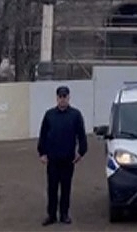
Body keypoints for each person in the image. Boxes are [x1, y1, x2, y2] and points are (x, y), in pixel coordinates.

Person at [37, 85, 88, 226]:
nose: (62, 99)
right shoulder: (49, 115)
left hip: (68, 159)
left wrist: (81, 152)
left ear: (69, 97)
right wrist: (42, 153)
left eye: (65, 96)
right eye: (60, 96)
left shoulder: (75, 115)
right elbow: (43, 135)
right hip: (52, 160)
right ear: (57, 98)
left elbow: (82, 136)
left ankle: (64, 214)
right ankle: (51, 215)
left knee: (66, 188)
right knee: (52, 188)